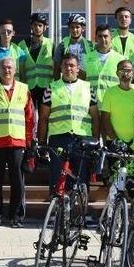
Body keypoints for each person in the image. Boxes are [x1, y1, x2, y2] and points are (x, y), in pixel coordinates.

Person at [0, 57, 34, 228]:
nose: (7, 70)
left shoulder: (24, 90)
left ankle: (16, 216)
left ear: (15, 70)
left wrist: (29, 140)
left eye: (10, 67)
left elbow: (31, 118)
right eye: (3, 67)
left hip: (18, 143)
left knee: (18, 180)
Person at [38, 53, 100, 190]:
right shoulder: (51, 88)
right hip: (58, 139)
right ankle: (56, 209)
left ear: (78, 68)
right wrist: (41, 142)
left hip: (82, 140)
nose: (68, 68)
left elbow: (95, 118)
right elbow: (43, 118)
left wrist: (95, 141)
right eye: (65, 65)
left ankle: (80, 210)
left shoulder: (88, 88)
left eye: (72, 65)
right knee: (57, 177)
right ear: (60, 67)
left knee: (81, 178)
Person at [100, 59, 134, 151]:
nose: (125, 74)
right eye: (122, 71)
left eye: (128, 71)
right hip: (114, 144)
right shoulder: (110, 92)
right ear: (116, 73)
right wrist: (115, 140)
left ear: (133, 72)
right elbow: (105, 118)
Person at [17, 13, 54, 109]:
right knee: (30, 116)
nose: (37, 28)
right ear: (31, 26)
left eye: (40, 25)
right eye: (35, 25)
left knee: (45, 117)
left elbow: (56, 66)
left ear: (45, 27)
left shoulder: (51, 44)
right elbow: (20, 68)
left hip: (46, 87)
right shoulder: (22, 44)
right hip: (29, 87)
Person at [85, 23, 127, 102]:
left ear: (111, 38)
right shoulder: (86, 58)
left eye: (105, 36)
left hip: (113, 102)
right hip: (91, 103)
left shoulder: (121, 59)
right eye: (100, 36)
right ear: (95, 38)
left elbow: (124, 83)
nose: (103, 39)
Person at [0, 18, 26, 86]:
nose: (6, 34)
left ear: (13, 33)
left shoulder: (20, 52)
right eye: (3, 32)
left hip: (14, 90)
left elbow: (23, 75)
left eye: (9, 31)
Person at [53, 13, 94, 80]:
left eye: (77, 27)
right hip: (67, 84)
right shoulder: (62, 45)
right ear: (69, 28)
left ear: (83, 29)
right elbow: (56, 69)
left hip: (85, 84)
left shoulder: (91, 46)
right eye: (72, 27)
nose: (74, 30)